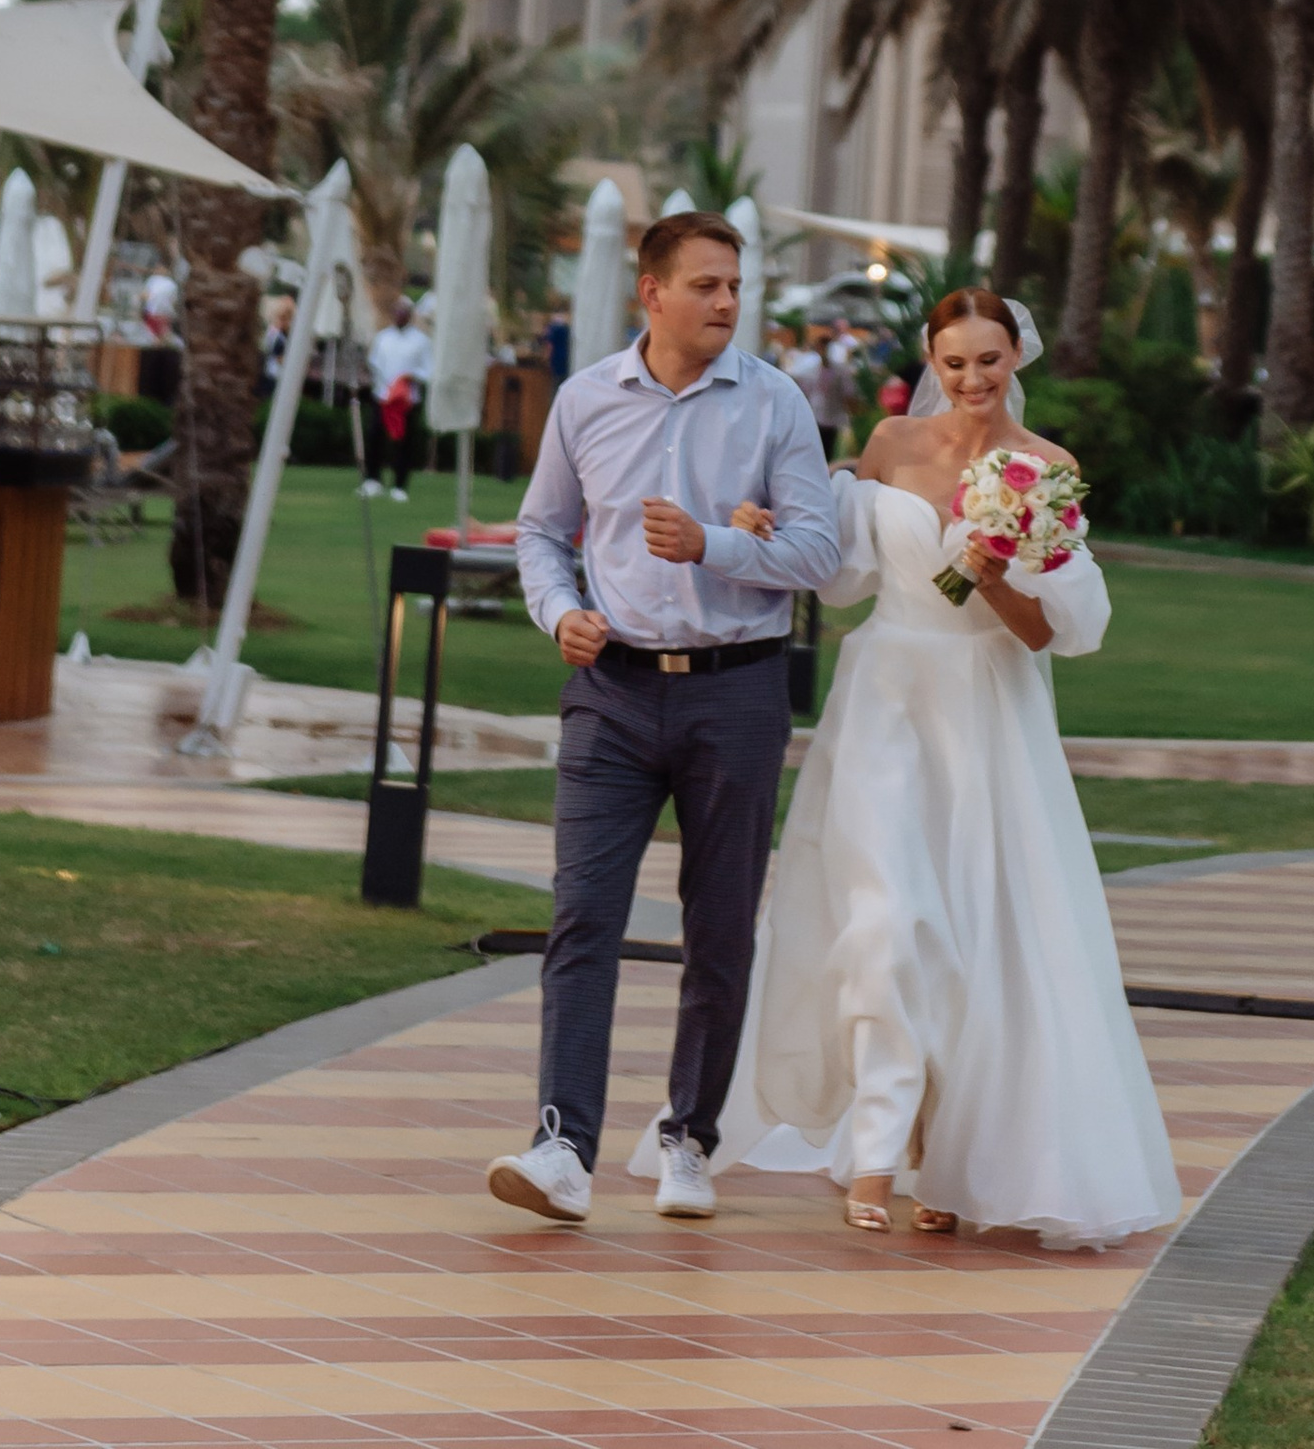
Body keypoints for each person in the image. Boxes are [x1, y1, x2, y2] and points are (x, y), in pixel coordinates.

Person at [710, 284, 1180, 1249]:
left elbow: (1050, 632)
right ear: (932, 360)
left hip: (987, 711)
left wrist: (998, 579)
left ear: (1016, 358)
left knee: (974, 931)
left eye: (988, 359)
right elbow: (839, 569)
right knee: (888, 919)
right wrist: (765, 530)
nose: (972, 377)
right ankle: (875, 1152)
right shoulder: (888, 446)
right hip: (885, 700)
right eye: (955, 360)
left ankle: (946, 1154)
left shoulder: (1047, 469)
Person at [494, 210, 839, 1229]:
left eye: (734, 284)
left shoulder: (775, 402)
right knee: (581, 917)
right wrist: (558, 611)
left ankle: (691, 1137)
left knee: (719, 926)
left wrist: (711, 546)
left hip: (737, 691)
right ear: (651, 293)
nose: (727, 301)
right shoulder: (585, 399)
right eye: (705, 284)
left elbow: (818, 553)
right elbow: (540, 531)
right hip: (610, 693)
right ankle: (563, 1146)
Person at [366, 295, 434, 491]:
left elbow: (429, 371)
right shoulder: (383, 338)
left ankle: (400, 484)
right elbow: (374, 364)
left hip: (407, 399)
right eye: (396, 312)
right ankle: (372, 479)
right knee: (375, 437)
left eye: (403, 312)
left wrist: (411, 377)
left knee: (404, 442)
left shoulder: (421, 341)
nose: (399, 315)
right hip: (383, 396)